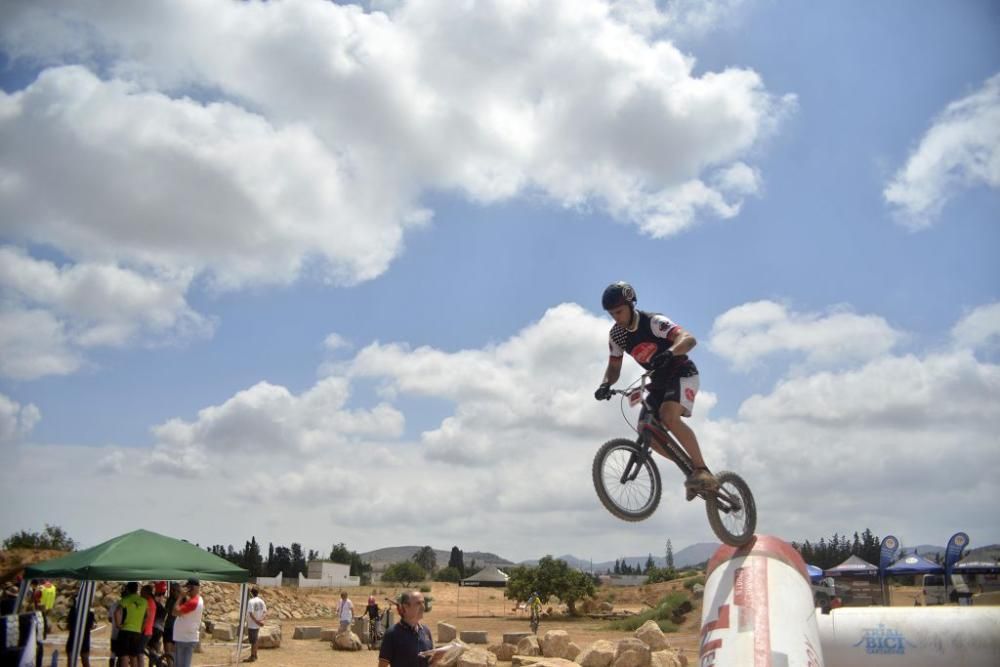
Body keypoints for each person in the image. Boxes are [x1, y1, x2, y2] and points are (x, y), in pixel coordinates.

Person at [594, 281, 716, 493]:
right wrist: (605, 383)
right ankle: (690, 469)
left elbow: (689, 339)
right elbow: (614, 367)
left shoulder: (653, 322)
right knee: (646, 431)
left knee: (668, 416)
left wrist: (670, 352)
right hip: (658, 382)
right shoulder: (617, 336)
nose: (616, 318)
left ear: (631, 305)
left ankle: (703, 470)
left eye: (619, 312)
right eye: (612, 314)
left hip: (681, 372)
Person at [378, 591, 437, 667]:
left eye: (423, 603)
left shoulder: (426, 631)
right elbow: (382, 665)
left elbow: (431, 662)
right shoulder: (392, 634)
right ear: (406, 606)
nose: (423, 607)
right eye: (418, 603)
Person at [171, 579, 204, 667]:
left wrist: (180, 597)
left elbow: (174, 611)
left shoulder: (193, 602)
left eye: (188, 587)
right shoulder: (198, 599)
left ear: (192, 588)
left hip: (184, 638)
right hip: (187, 637)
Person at [115, 582, 147, 667]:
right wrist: (141, 629)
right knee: (133, 656)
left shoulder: (126, 599)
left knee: (124, 656)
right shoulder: (144, 601)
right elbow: (147, 618)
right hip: (137, 631)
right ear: (137, 589)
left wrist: (118, 625)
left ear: (128, 589)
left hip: (125, 630)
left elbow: (117, 611)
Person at [66, 596, 96, 667]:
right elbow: (91, 625)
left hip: (74, 637)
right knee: (85, 660)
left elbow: (69, 625)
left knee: (72, 660)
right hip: (84, 638)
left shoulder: (73, 610)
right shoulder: (89, 611)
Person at [162, 582, 182, 661]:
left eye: (173, 590)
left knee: (170, 651)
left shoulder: (176, 601)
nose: (171, 592)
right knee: (169, 651)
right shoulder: (172, 600)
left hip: (172, 627)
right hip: (171, 627)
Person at [245, 587, 267, 662]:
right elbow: (264, 612)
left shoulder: (250, 601)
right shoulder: (261, 601)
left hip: (252, 624)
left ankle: (252, 656)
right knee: (255, 640)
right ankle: (255, 654)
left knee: (253, 641)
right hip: (258, 624)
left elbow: (251, 614)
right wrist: (261, 620)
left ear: (251, 593)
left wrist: (257, 621)